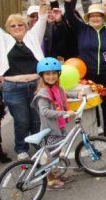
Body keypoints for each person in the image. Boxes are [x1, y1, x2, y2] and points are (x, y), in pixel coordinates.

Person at [0, 0, 48, 159]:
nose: (17, 27)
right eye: (13, 26)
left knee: (37, 119)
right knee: (22, 120)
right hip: (13, 88)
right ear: (8, 29)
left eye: (20, 24)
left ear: (25, 26)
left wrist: (43, 1)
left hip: (36, 86)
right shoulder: (3, 39)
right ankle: (21, 148)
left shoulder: (33, 37)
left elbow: (42, 19)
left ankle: (39, 146)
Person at [63, 0, 106, 140]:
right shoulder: (81, 29)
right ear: (88, 18)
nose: (95, 18)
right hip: (88, 77)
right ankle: (93, 136)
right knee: (90, 107)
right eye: (92, 16)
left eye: (98, 15)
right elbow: (69, 15)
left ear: (103, 18)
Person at [31, 57, 84, 190]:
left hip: (59, 127)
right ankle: (50, 181)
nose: (51, 76)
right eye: (47, 74)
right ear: (42, 76)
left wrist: (77, 94)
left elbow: (65, 94)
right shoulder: (43, 93)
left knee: (56, 154)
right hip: (50, 131)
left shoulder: (57, 88)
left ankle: (56, 175)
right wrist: (64, 113)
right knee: (50, 157)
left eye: (54, 73)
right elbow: (44, 111)